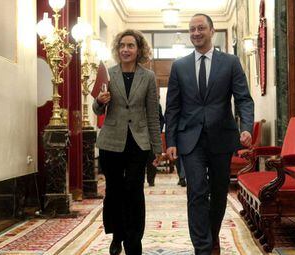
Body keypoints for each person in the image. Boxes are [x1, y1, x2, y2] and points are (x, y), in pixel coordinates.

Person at [165, 14, 254, 255]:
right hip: (189, 139)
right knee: (196, 191)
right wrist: (170, 140)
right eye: (192, 29)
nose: (196, 33)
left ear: (211, 31)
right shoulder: (179, 66)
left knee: (218, 192)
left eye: (201, 28)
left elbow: (243, 99)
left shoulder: (231, 62)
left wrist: (246, 127)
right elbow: (172, 107)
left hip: (221, 137)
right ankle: (202, 248)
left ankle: (212, 235)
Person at [93, 29, 162, 255]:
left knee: (134, 190)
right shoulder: (109, 74)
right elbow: (97, 107)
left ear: (139, 49)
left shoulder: (149, 77)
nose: (126, 49)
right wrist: (99, 102)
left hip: (138, 143)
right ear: (117, 48)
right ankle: (117, 235)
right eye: (122, 45)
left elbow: (153, 113)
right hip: (111, 142)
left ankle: (134, 241)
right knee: (114, 191)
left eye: (131, 45)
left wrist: (156, 148)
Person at [146, 103, 164, 186]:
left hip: (152, 136)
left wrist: (158, 130)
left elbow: (161, 119)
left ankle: (151, 180)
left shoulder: (157, 105)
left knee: (152, 158)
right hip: (139, 135)